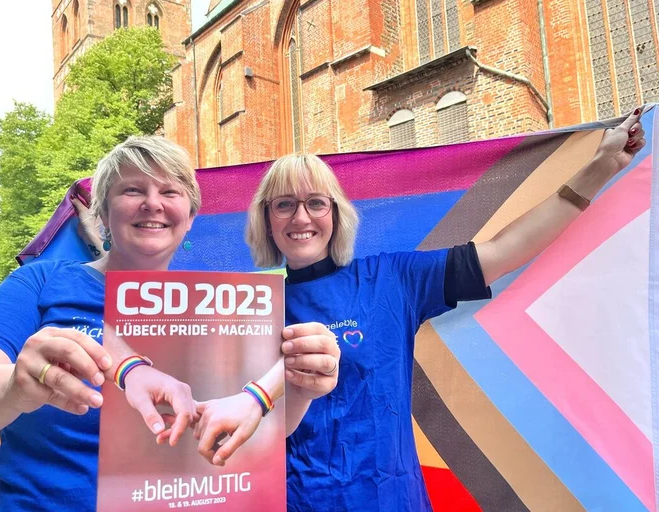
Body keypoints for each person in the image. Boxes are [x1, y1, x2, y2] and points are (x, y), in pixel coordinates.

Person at [243, 109, 647, 511]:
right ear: (266, 217)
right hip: (297, 503)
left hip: (392, 500)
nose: (301, 217)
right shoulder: (247, 308)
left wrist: (600, 166)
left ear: (335, 214)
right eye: (284, 205)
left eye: (316, 202)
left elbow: (504, 252)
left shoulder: (390, 280)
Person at [0, 136, 340, 511]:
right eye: (132, 190)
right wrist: (15, 387)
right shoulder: (42, 282)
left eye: (170, 192)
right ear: (103, 215)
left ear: (189, 217)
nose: (153, 203)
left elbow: (258, 433)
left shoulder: (224, 305)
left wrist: (299, 386)